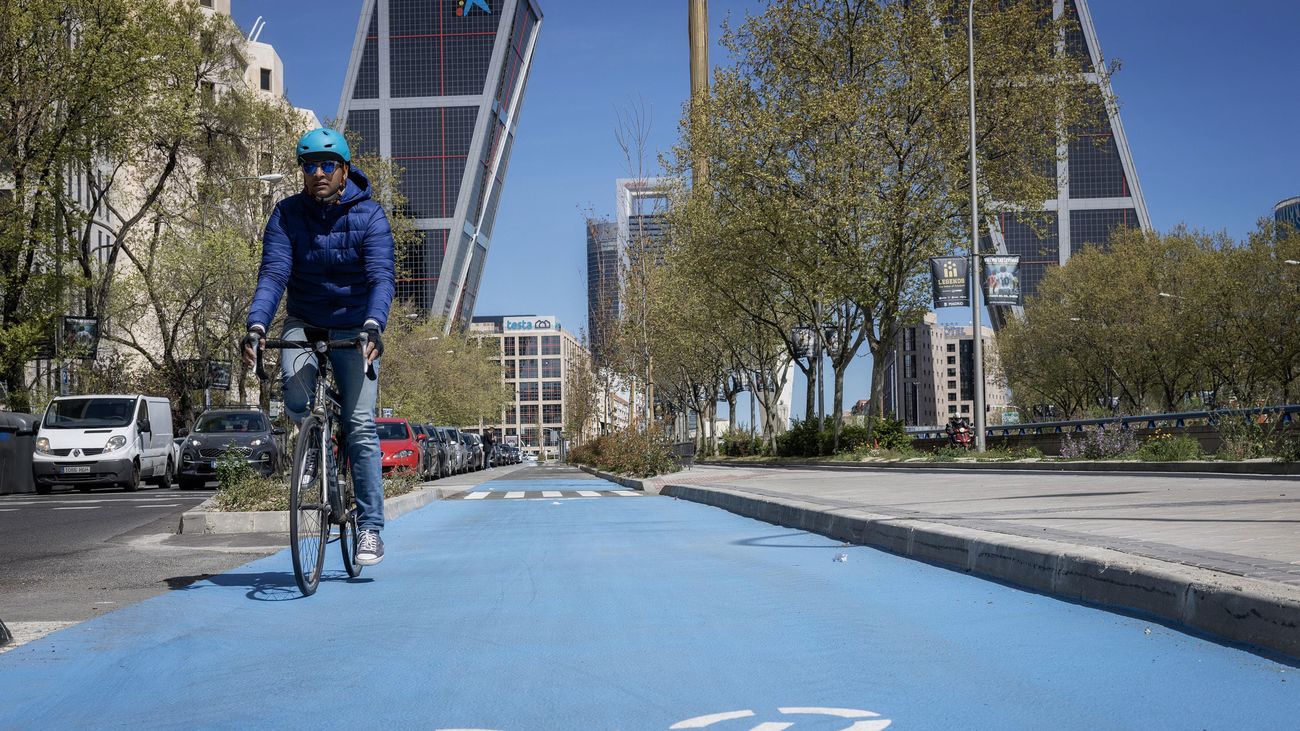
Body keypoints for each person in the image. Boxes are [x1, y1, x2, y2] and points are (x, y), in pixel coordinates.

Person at [241, 127, 395, 566]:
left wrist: (373, 325)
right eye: (309, 165)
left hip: (355, 326)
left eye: (328, 164)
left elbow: (381, 277)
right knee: (294, 394)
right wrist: (256, 324)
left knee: (361, 425)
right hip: (305, 321)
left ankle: (370, 529)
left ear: (344, 170)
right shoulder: (287, 215)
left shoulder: (369, 216)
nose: (318, 173)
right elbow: (273, 274)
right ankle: (315, 449)